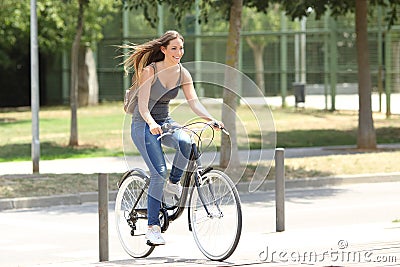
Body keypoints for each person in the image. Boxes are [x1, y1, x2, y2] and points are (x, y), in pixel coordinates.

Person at [122, 30, 223, 246]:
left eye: (181, 48)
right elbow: (142, 106)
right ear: (163, 50)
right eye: (174, 48)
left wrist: (210, 119)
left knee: (187, 142)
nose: (179, 52)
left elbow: (194, 102)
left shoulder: (183, 73)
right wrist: (151, 124)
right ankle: (152, 228)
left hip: (165, 121)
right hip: (143, 124)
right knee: (158, 173)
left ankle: (173, 183)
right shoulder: (150, 71)